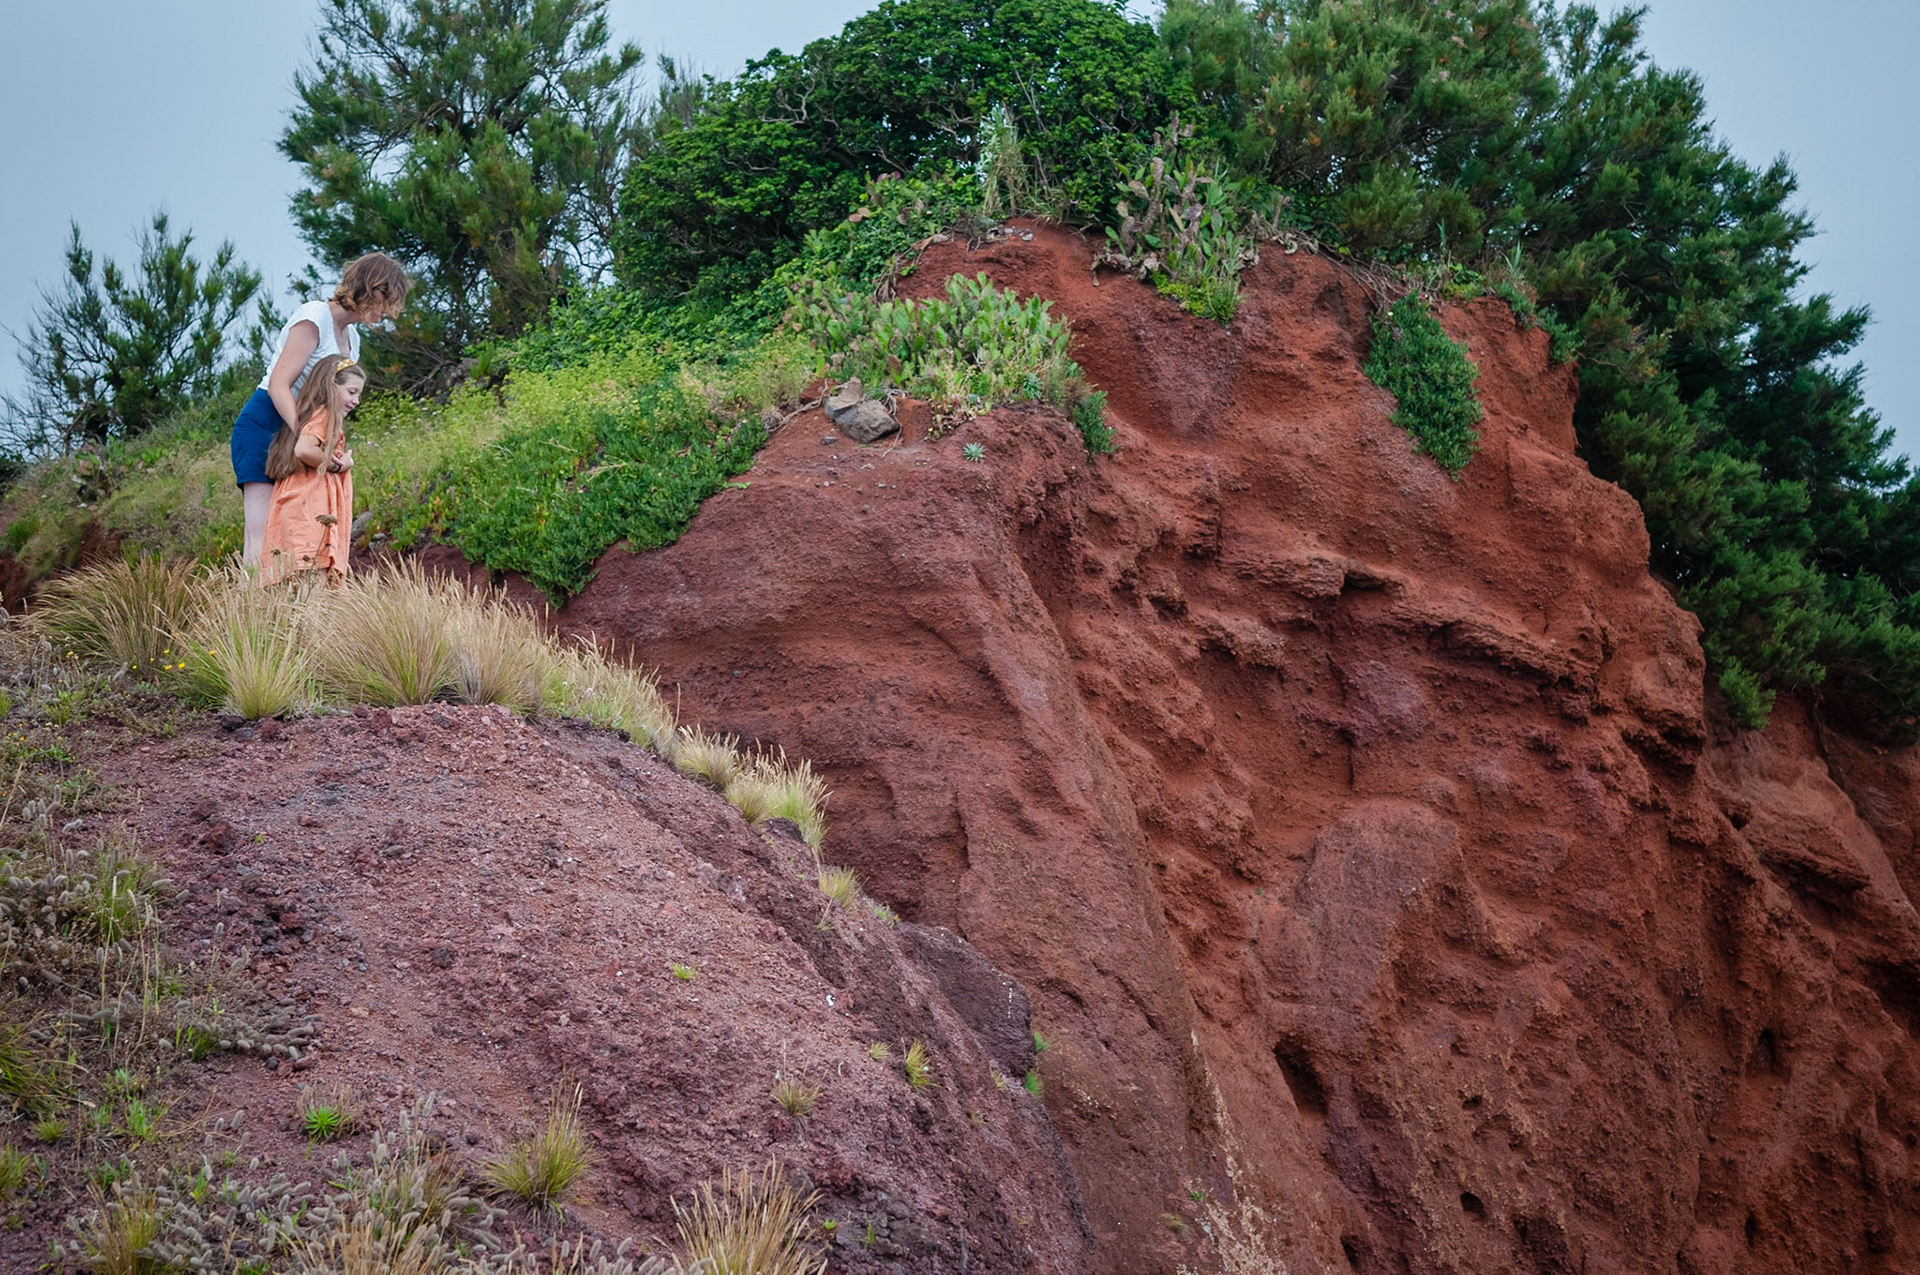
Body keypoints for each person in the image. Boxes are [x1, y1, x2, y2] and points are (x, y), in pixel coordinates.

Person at [230, 253, 408, 566]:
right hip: (268, 422)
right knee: (262, 536)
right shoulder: (315, 317)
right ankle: (247, 612)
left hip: (304, 434)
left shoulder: (352, 339)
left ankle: (282, 613)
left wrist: (327, 446)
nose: (387, 310)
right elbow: (278, 385)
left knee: (293, 535)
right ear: (371, 288)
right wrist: (308, 439)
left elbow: (334, 399)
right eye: (386, 298)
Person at [258, 354, 364, 585]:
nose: (356, 401)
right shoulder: (325, 415)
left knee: (300, 582)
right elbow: (304, 449)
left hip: (299, 507)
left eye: (358, 394)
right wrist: (337, 464)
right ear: (331, 386)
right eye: (352, 392)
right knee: (313, 580)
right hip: (309, 511)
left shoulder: (313, 416)